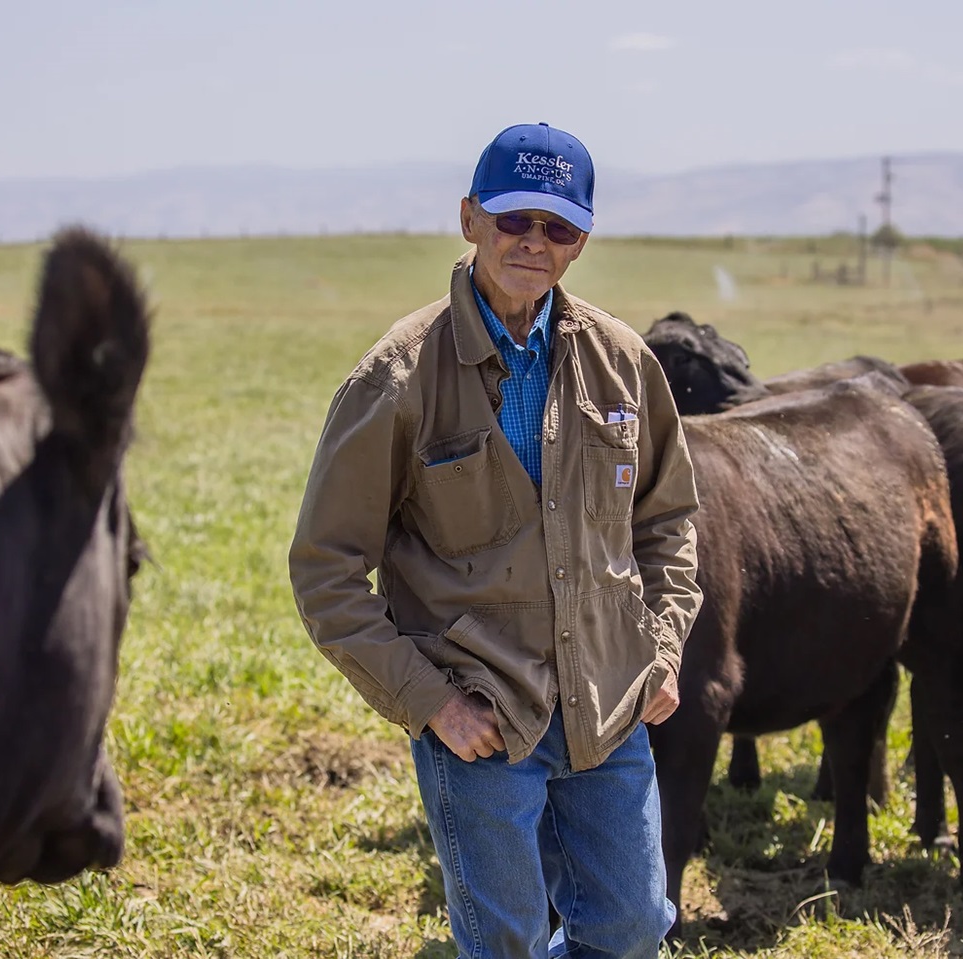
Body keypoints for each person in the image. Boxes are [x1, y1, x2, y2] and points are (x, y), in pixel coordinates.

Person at [288, 122, 701, 958]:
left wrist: (662, 647)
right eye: (515, 219)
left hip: (608, 704)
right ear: (471, 217)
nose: (534, 243)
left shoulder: (623, 363)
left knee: (630, 928)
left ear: (582, 239)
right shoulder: (398, 378)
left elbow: (667, 523)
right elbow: (326, 571)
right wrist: (430, 701)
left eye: (558, 227)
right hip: (477, 716)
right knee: (506, 940)